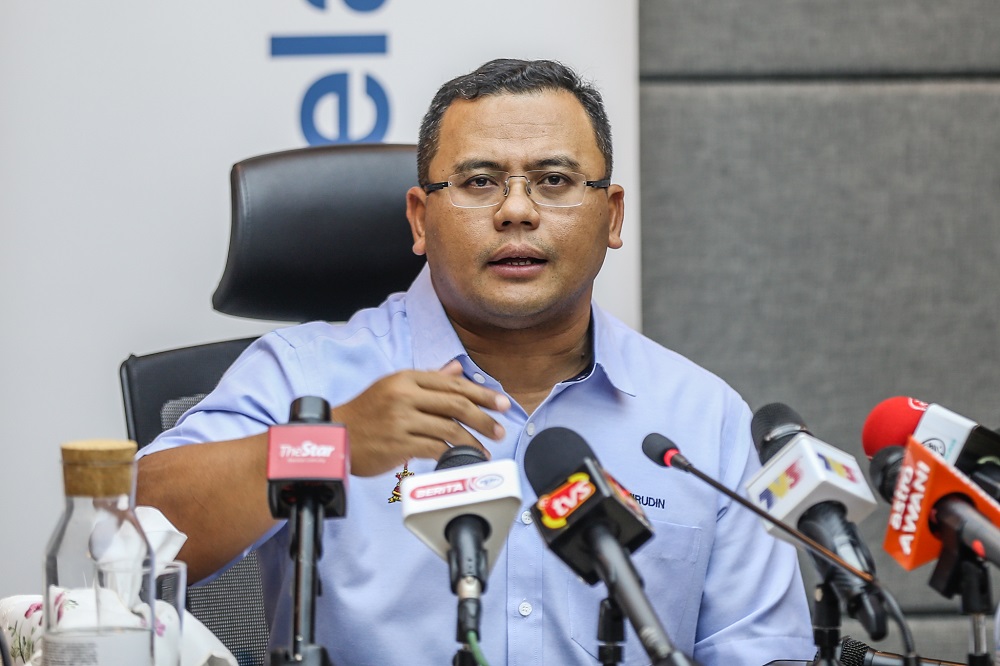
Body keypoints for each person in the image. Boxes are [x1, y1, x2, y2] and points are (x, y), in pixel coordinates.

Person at [136, 58, 815, 665]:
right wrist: (327, 446)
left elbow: (762, 649)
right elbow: (132, 537)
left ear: (611, 216)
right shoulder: (304, 376)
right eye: (479, 182)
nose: (517, 211)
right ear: (420, 219)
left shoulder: (700, 419)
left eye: (553, 180)